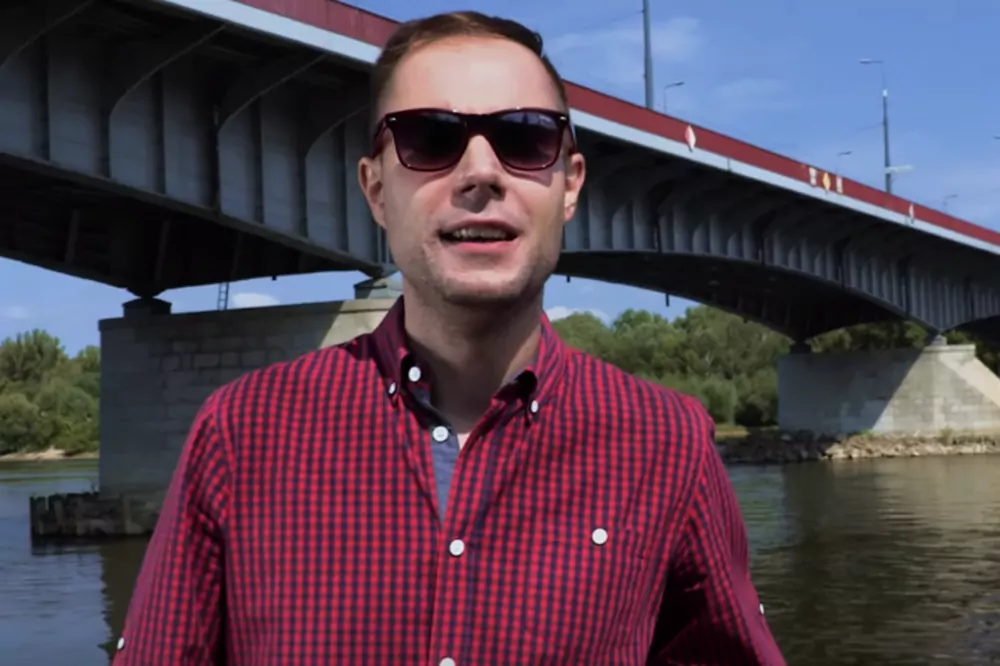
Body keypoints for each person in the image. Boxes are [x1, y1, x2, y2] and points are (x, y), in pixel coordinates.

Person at [112, 10, 785, 666]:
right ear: (375, 189)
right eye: (431, 138)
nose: (481, 172)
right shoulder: (241, 435)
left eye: (525, 137)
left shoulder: (666, 445)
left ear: (570, 185)